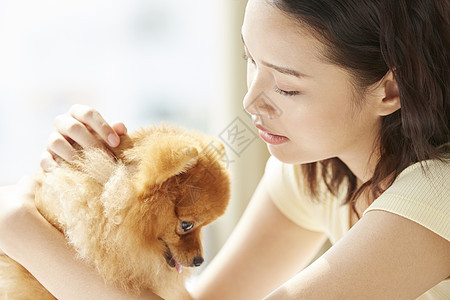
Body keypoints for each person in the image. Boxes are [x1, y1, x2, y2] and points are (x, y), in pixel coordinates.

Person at [0, 0, 449, 299]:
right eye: (250, 59)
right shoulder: (316, 173)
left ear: (390, 89)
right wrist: (104, 191)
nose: (250, 101)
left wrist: (24, 232)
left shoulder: (437, 192)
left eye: (287, 87)